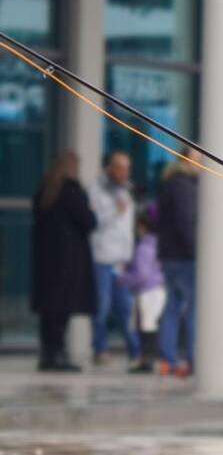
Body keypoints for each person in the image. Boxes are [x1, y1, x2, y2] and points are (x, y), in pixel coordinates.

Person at [30, 150, 96, 372]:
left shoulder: (45, 190)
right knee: (61, 310)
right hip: (67, 262)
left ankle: (48, 354)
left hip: (47, 262)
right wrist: (90, 210)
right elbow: (88, 221)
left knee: (49, 312)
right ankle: (57, 354)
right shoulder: (71, 190)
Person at [89, 149, 140, 367]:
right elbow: (95, 222)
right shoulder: (96, 190)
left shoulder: (126, 190)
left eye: (127, 168)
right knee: (101, 306)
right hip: (102, 257)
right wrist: (115, 211)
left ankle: (135, 352)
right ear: (108, 167)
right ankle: (100, 349)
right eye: (119, 167)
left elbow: (127, 226)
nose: (124, 172)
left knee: (126, 307)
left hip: (122, 259)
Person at [157, 151, 198, 377]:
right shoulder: (184, 185)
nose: (202, 166)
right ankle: (193, 358)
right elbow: (186, 221)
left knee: (172, 306)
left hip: (169, 254)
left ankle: (168, 358)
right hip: (184, 256)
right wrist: (196, 250)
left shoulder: (170, 182)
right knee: (193, 308)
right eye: (199, 160)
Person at [119, 209, 166, 373]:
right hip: (158, 290)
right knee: (152, 327)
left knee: (146, 328)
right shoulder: (158, 245)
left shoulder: (143, 248)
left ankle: (147, 360)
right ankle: (150, 359)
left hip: (147, 292)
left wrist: (124, 278)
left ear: (142, 227)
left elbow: (142, 275)